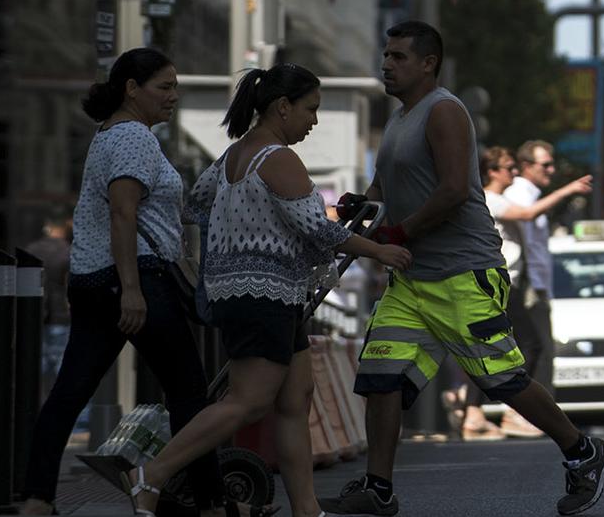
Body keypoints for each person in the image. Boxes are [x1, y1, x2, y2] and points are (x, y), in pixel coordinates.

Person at [322, 22, 604, 517]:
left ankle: (584, 452)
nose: (386, 65)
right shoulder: (399, 119)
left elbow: (455, 190)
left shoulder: (444, 112)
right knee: (380, 377)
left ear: (428, 63)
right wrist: (362, 204)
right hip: (412, 280)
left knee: (501, 379)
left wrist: (399, 232)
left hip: (463, 273)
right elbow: (384, 187)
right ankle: (378, 488)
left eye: (398, 57)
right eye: (386, 55)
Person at [121, 65, 412, 517]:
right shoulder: (278, 157)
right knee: (247, 401)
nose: (313, 121)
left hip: (266, 293)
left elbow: (197, 203)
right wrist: (380, 251)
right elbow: (319, 230)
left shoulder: (236, 154)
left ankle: (307, 509)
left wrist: (240, 233)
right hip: (261, 294)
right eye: (310, 109)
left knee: (296, 400)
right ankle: (149, 477)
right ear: (282, 107)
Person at [20, 49, 226, 517]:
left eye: (175, 87)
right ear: (132, 88)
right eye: (164, 87)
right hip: (136, 280)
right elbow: (122, 212)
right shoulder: (134, 137)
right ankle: (212, 505)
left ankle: (36, 500)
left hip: (93, 281)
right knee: (190, 394)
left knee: (69, 393)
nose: (173, 96)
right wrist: (132, 289)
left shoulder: (107, 135)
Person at [498, 139, 594, 432]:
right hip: (522, 282)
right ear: (526, 166)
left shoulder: (529, 193)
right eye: (545, 165)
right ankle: (520, 414)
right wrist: (568, 190)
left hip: (534, 283)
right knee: (534, 348)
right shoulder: (518, 193)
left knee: (536, 349)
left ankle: (516, 413)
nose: (551, 170)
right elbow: (527, 215)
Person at [458, 146, 521, 440]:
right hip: (488, 280)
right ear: (492, 171)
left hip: (498, 280)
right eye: (509, 167)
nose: (515, 172)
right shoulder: (489, 198)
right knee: (492, 347)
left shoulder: (493, 198)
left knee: (489, 346)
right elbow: (530, 213)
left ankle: (470, 405)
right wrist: (570, 188)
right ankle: (475, 408)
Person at [22, 213, 74, 391]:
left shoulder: (31, 249)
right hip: (61, 315)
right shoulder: (68, 251)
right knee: (65, 368)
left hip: (34, 314)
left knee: (36, 368)